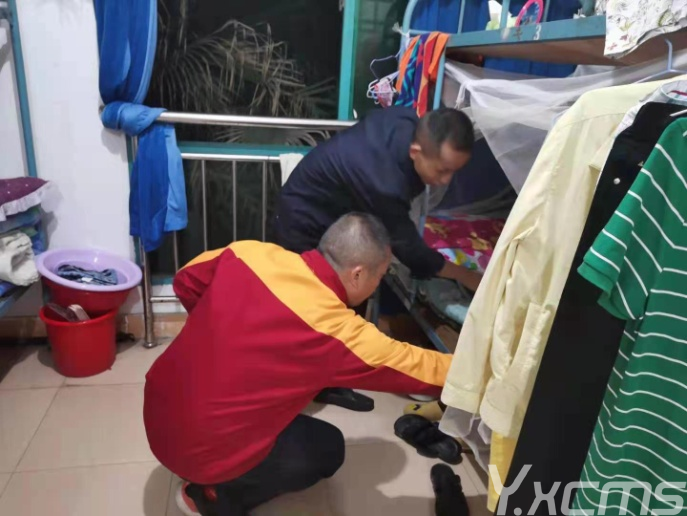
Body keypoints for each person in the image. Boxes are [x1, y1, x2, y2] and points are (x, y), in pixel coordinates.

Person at [144, 213, 452, 516]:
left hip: (157, 410)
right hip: (196, 451)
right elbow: (417, 366)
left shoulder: (250, 253)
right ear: (358, 274)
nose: (377, 285)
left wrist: (218, 333)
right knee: (327, 449)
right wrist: (476, 367)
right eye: (380, 276)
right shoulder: (334, 329)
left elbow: (186, 279)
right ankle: (212, 496)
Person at [271, 106, 480, 412]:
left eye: (453, 171)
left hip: (332, 212)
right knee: (311, 309)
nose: (445, 180)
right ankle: (298, 388)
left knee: (338, 305)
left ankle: (328, 377)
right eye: (441, 171)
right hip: (302, 221)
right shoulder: (384, 182)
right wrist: (466, 275)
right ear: (416, 151)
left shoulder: (404, 118)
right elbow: (411, 252)